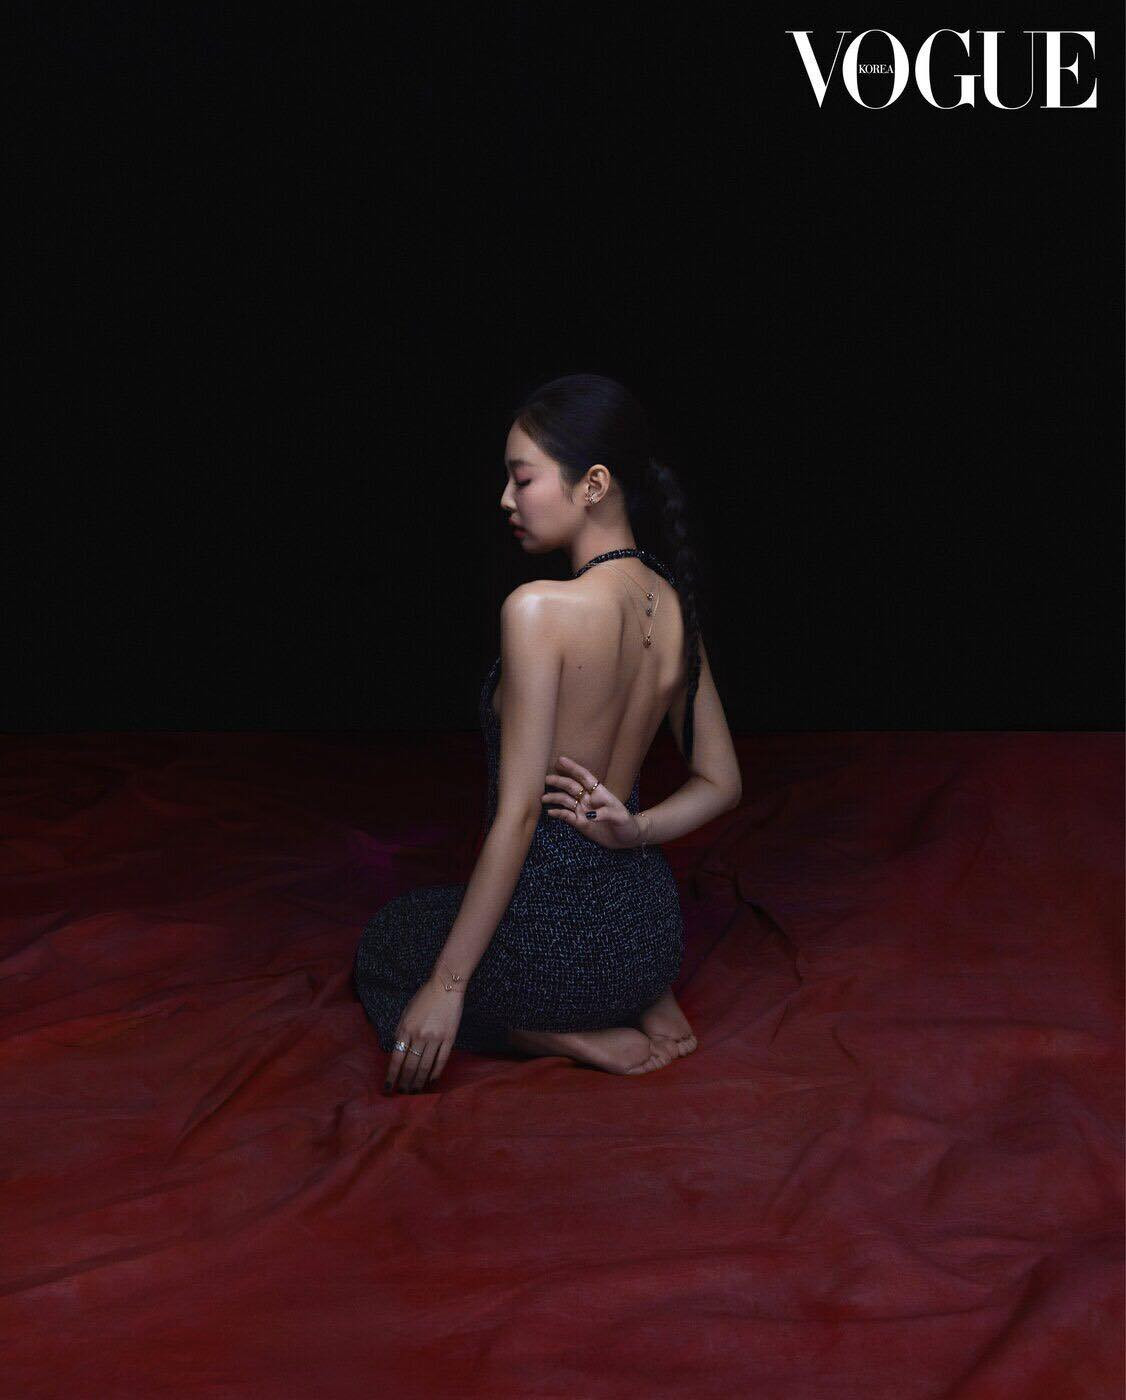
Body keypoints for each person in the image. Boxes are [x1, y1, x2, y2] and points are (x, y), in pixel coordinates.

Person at [352, 373, 742, 1093]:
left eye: (522, 478)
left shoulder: (538, 610)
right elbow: (722, 781)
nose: (507, 499)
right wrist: (636, 828)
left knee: (389, 939)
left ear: (593, 484)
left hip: (552, 952)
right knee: (451, 918)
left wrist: (446, 986)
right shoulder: (672, 606)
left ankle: (542, 1030)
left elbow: (521, 816)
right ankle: (640, 997)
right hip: (652, 936)